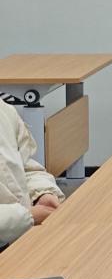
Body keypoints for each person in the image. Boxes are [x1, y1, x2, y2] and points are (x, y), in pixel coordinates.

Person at [1, 98, 64, 247]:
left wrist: (41, 194)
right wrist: (27, 216)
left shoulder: (4, 111)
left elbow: (25, 167)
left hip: (17, 239)